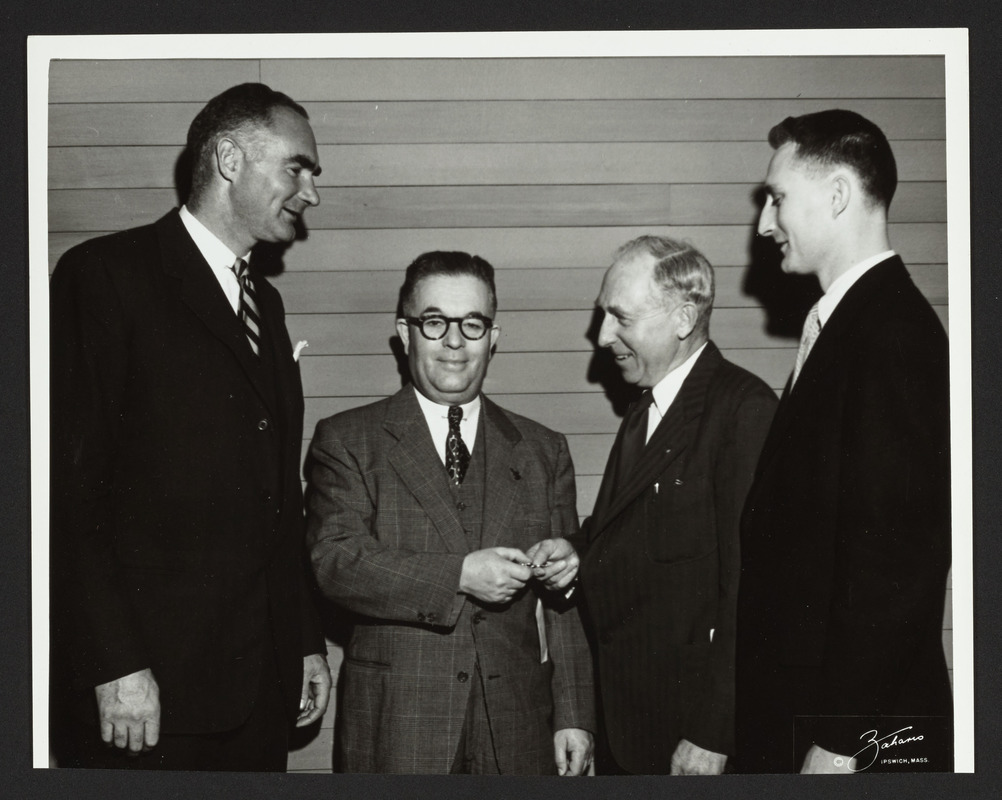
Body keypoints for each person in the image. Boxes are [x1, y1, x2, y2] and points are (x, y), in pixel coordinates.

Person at [49, 83, 331, 771]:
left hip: (258, 693)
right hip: (148, 698)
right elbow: (65, 492)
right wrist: (113, 665)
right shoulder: (104, 278)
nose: (311, 193)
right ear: (230, 158)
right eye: (297, 167)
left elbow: (276, 498)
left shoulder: (266, 302)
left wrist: (302, 642)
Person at [305, 251, 595, 774]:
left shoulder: (542, 448)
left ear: (494, 336)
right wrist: (459, 576)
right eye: (435, 323)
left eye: (473, 324)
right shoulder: (348, 439)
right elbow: (336, 562)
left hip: (518, 728)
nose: (455, 342)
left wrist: (572, 714)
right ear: (405, 333)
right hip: (398, 722)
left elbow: (563, 605)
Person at [735, 109, 953, 773]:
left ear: (835, 197)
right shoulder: (850, 325)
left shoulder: (893, 338)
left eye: (776, 199)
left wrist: (839, 741)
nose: (763, 225)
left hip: (854, 736)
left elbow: (895, 567)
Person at [564, 235, 777, 775]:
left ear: (683, 318)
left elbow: (752, 593)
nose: (602, 335)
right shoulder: (646, 406)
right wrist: (572, 550)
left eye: (620, 318)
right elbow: (629, 527)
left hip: (692, 737)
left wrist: (713, 733)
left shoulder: (742, 411)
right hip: (630, 724)